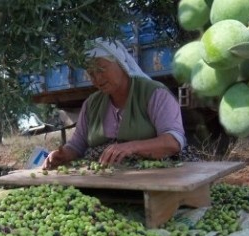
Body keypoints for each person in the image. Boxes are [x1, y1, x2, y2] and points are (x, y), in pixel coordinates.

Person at [42, 38, 186, 169]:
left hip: (155, 176)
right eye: (91, 73)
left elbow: (173, 142)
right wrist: (63, 154)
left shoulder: (154, 94)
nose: (97, 79)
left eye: (101, 69)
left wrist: (131, 147)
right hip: (108, 177)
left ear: (120, 62)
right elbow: (77, 145)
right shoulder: (91, 104)